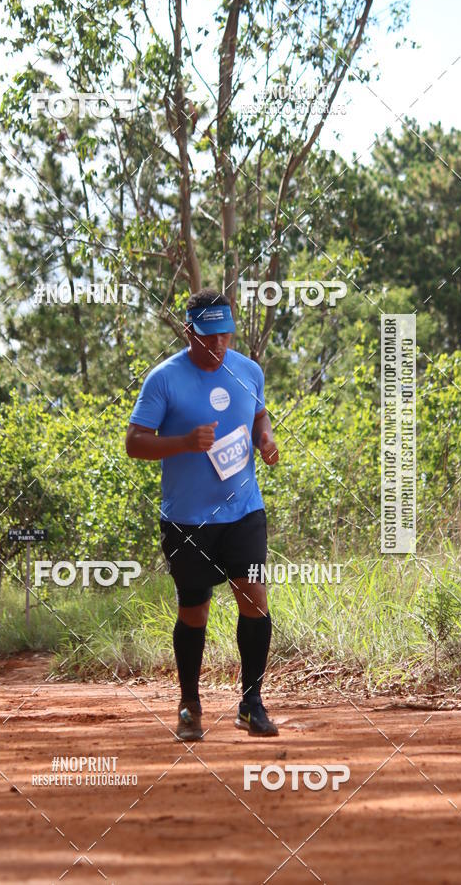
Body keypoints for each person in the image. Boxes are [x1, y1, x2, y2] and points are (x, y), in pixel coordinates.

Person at [126, 288, 280, 740]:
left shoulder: (248, 370)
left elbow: (259, 415)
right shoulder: (163, 380)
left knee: (254, 598)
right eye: (207, 337)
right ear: (188, 331)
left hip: (244, 513)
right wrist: (183, 442)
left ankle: (251, 703)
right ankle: (190, 704)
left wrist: (265, 440)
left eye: (224, 337)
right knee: (194, 610)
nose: (217, 347)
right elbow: (135, 442)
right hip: (187, 520)